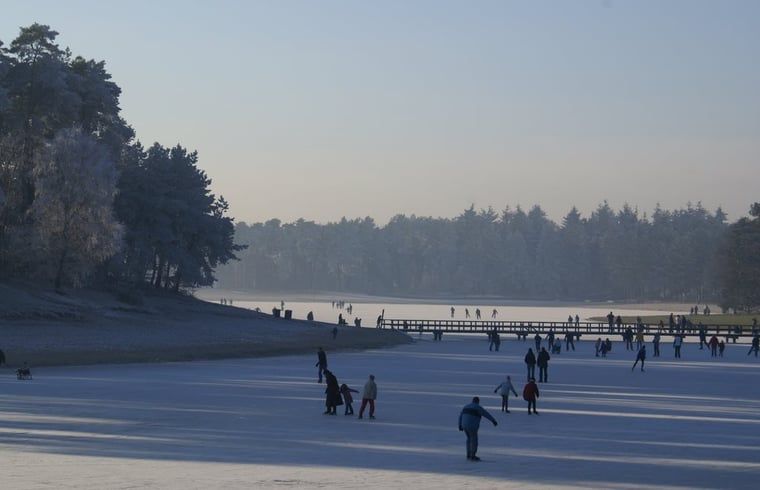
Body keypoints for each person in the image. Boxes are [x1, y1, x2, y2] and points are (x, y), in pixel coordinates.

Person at [458, 396, 497, 461]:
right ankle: (472, 455)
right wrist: (493, 421)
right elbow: (486, 414)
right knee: (474, 440)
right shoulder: (478, 407)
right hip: (472, 426)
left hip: (464, 425)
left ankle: (468, 454)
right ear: (478, 401)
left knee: (469, 439)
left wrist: (460, 425)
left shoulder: (466, 406)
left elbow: (460, 416)